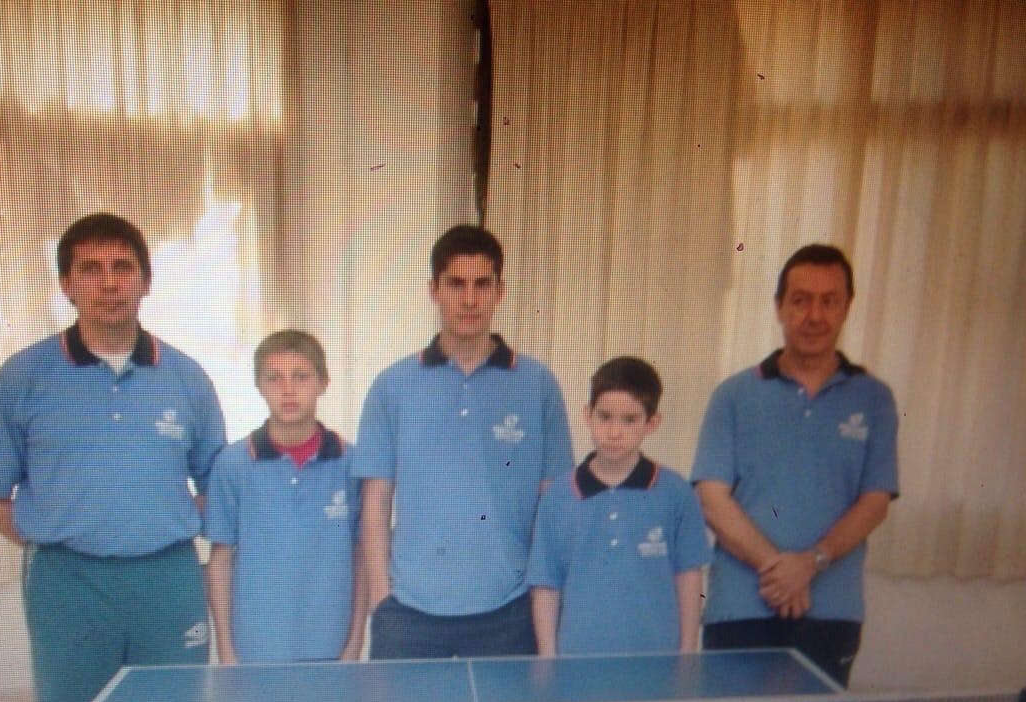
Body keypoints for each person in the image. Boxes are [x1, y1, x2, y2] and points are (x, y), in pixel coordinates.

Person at [0, 212, 226, 702]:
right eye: (90, 269)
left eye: (123, 267)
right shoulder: (23, 377)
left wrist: (156, 524)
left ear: (146, 282)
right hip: (68, 585)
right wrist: (63, 535)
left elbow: (219, 487)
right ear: (67, 285)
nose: (109, 283)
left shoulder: (187, 379)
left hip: (168, 581)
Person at [353, 224, 574, 659]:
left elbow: (553, 501)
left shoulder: (537, 384)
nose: (469, 299)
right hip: (408, 615)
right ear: (434, 290)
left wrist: (540, 597)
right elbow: (375, 500)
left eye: (481, 284)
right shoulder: (392, 386)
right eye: (456, 284)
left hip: (509, 611)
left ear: (500, 291)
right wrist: (382, 598)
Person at [690, 244, 898, 686]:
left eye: (829, 301)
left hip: (831, 613)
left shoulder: (875, 399)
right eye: (800, 300)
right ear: (779, 307)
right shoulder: (733, 395)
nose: (814, 315)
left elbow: (875, 502)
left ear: (846, 308)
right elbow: (711, 499)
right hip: (739, 609)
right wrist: (781, 568)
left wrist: (811, 563)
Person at [204, 330, 366, 664]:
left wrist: (354, 643)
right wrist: (226, 651)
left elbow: (362, 557)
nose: (287, 390)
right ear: (259, 386)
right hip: (255, 650)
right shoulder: (232, 464)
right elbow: (220, 560)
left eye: (300, 377)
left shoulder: (352, 464)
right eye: (274, 378)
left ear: (323, 383)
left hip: (330, 647)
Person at [528, 357, 709, 656]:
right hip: (577, 664)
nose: (614, 432)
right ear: (587, 415)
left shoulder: (676, 492)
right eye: (605, 417)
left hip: (657, 662)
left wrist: (688, 652)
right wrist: (549, 660)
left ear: (652, 423)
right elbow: (546, 586)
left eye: (629, 420)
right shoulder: (557, 496)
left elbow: (689, 575)